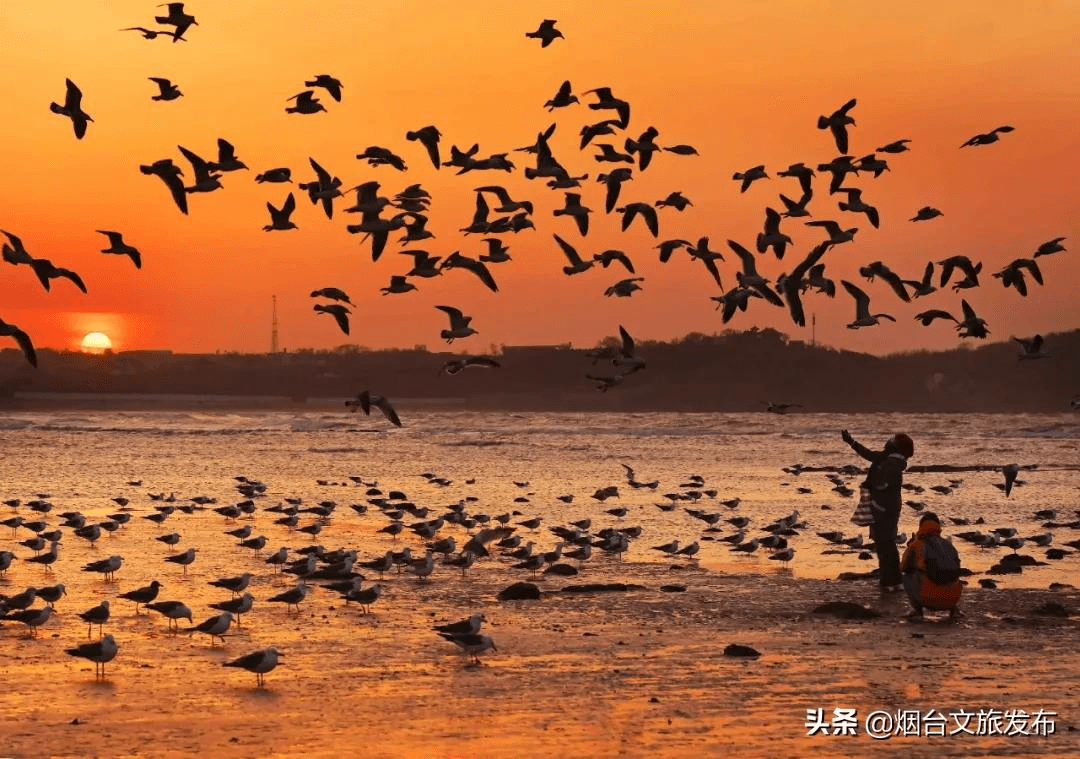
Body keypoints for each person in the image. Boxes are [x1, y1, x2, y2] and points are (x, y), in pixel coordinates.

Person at [840, 430, 914, 591]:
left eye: (892, 440)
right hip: (885, 507)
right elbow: (869, 455)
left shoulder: (892, 463)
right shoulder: (889, 459)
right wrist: (851, 442)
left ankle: (889, 582)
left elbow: (884, 485)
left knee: (884, 545)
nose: (888, 441)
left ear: (896, 447)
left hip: (884, 508)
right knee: (887, 544)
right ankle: (894, 581)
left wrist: (872, 489)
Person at [901, 512, 963, 619]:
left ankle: (917, 610)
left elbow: (903, 567)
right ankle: (954, 609)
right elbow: (957, 568)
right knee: (953, 573)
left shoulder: (917, 545)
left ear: (921, 526)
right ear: (938, 526)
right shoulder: (949, 545)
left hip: (928, 598)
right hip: (952, 598)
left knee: (906, 575)